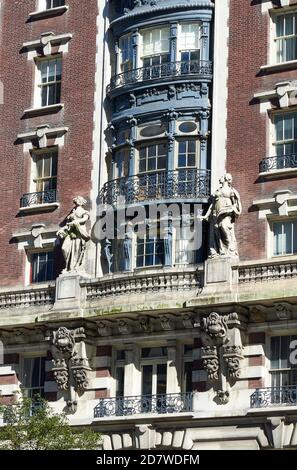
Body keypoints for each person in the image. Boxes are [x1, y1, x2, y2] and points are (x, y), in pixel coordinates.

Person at [199, 174, 242, 258]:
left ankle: (230, 247)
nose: (220, 178)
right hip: (216, 213)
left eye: (221, 177)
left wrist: (234, 210)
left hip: (226, 211)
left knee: (224, 226)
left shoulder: (231, 190)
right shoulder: (217, 191)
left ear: (226, 179)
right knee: (216, 232)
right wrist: (205, 216)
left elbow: (234, 203)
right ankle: (221, 250)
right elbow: (212, 206)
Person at [57, 196, 90, 272]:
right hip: (70, 232)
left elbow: (84, 219)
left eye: (79, 200)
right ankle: (68, 265)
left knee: (77, 249)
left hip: (79, 232)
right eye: (77, 200)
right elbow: (68, 224)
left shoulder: (84, 212)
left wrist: (76, 222)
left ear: (82, 202)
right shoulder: (73, 212)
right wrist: (62, 229)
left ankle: (74, 267)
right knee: (64, 248)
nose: (77, 201)